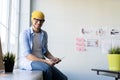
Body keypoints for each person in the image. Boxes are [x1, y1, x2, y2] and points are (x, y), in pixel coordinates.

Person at [19, 10, 68, 80]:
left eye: (41, 20)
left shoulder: (44, 34)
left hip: (42, 61)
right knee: (47, 69)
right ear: (32, 19)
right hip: (29, 62)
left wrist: (53, 58)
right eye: (36, 19)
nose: (39, 22)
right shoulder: (24, 34)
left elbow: (45, 51)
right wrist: (46, 61)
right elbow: (28, 55)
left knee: (63, 78)